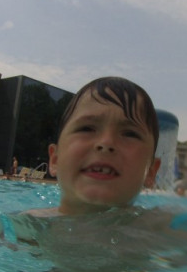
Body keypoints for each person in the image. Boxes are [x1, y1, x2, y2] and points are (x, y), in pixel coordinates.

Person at [27, 76, 161, 216]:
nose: (106, 143)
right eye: (87, 129)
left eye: (130, 134)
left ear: (151, 172)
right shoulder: (26, 224)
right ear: (55, 160)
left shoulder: (165, 226)